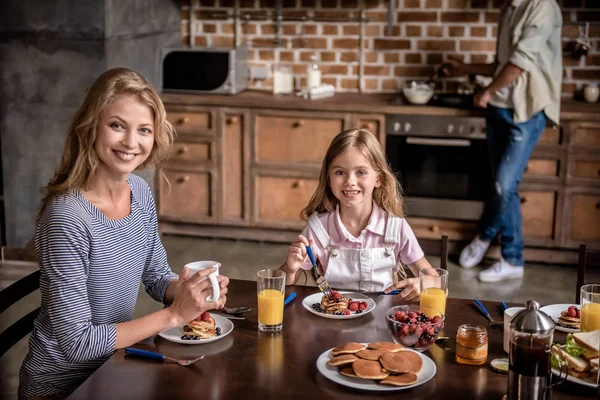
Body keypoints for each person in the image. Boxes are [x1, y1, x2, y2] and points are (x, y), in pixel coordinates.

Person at [19, 68, 230, 399]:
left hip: (115, 367)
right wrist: (175, 314)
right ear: (91, 127)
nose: (132, 143)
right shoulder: (67, 218)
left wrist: (191, 291)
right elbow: (78, 344)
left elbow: (157, 276)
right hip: (62, 387)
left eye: (144, 130)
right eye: (117, 125)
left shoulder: (140, 191)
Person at [442, 0, 562, 283]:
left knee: (504, 184)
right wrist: (464, 68)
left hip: (527, 110)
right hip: (500, 107)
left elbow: (521, 62)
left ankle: (511, 257)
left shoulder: (542, 6)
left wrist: (486, 92)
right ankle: (485, 238)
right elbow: (502, 63)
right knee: (498, 182)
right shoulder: (508, 7)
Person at [279, 129, 433, 301]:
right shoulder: (318, 229)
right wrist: (290, 269)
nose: (350, 181)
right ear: (329, 179)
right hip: (333, 320)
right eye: (340, 172)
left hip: (382, 322)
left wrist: (424, 284)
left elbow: (436, 281)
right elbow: (281, 287)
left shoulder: (396, 227)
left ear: (378, 179)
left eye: (361, 172)